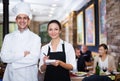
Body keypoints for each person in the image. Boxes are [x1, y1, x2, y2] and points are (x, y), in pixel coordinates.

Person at [0, 2, 41, 81]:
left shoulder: (36, 38)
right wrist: (22, 54)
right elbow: (3, 57)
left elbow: (33, 59)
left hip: (29, 77)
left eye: (25, 18)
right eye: (19, 18)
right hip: (11, 76)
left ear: (28, 20)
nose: (22, 20)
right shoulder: (8, 37)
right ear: (16, 20)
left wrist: (12, 62)